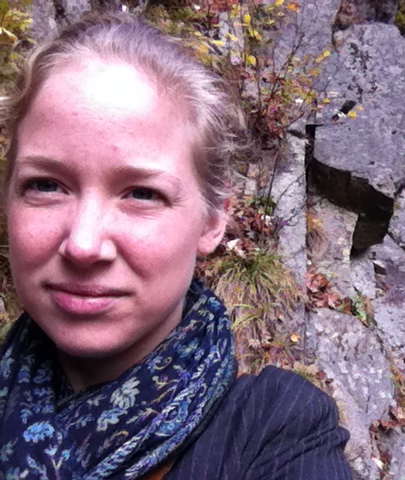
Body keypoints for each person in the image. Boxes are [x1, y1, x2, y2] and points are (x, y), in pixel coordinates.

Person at [0, 13, 351, 479]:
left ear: (212, 220)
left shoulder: (275, 431)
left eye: (142, 194)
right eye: (46, 185)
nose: (83, 245)